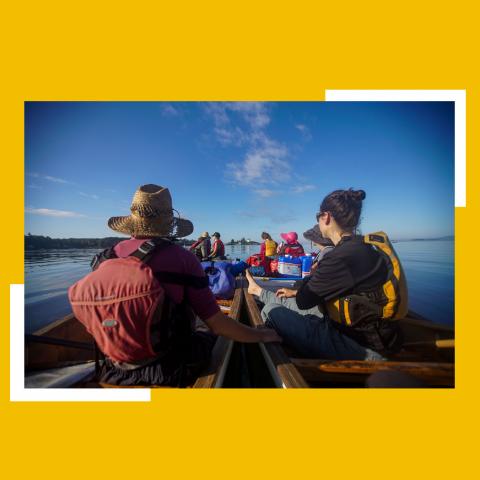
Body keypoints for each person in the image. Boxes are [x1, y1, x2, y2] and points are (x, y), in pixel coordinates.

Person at [71, 184, 280, 387]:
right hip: (171, 369)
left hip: (113, 368)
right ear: (168, 221)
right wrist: (261, 334)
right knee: (213, 338)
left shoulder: (104, 259)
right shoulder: (182, 258)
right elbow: (218, 324)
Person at [246, 188, 405, 361]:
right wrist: (301, 288)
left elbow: (303, 301)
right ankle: (258, 291)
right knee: (287, 299)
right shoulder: (362, 247)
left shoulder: (340, 257)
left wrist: (312, 275)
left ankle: (260, 296)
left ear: (326, 217)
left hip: (362, 346)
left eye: (317, 217)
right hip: (375, 333)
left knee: (271, 311)